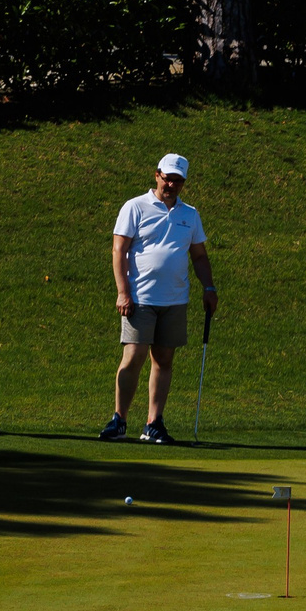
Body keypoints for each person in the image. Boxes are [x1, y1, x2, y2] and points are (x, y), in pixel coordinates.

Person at [103, 153, 215, 445]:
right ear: (157, 175)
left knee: (163, 360)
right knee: (133, 357)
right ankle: (119, 420)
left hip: (175, 299)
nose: (172, 185)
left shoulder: (189, 214)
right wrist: (123, 291)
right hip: (140, 297)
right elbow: (119, 251)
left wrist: (209, 288)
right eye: (168, 179)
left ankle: (153, 423)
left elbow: (199, 255)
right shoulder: (135, 207)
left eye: (178, 181)